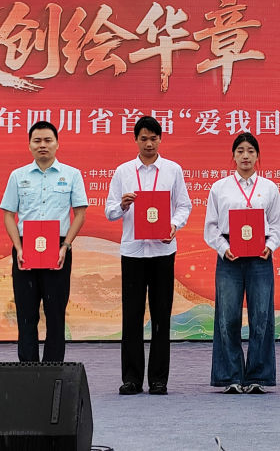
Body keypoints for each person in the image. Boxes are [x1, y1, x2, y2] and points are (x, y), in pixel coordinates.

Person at [106, 115, 192, 395]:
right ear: (135, 140)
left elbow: (184, 205)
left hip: (162, 251)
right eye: (143, 138)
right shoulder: (123, 172)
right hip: (132, 252)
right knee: (131, 317)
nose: (149, 143)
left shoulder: (173, 170)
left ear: (160, 139)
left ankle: (158, 379)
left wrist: (174, 225)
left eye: (154, 138)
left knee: (161, 317)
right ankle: (131, 378)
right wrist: (122, 205)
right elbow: (109, 211)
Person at [204, 133, 280, 394]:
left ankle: (258, 377)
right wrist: (223, 248)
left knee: (261, 316)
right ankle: (230, 376)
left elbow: (277, 224)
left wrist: (270, 246)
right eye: (240, 151)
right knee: (227, 317)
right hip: (230, 255)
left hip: (260, 256)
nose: (246, 156)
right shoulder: (220, 188)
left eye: (251, 150)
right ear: (233, 156)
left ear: (258, 156)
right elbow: (211, 226)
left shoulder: (269, 187)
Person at [0, 121, 87, 362]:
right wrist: (18, 247)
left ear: (57, 144)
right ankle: (28, 369)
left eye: (48, 140)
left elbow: (80, 214)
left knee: (55, 313)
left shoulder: (72, 174)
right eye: (37, 140)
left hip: (58, 248)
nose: (42, 145)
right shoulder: (18, 176)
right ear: (29, 145)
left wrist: (65, 246)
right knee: (26, 313)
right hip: (25, 248)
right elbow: (8, 214)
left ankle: (53, 369)